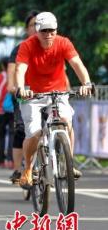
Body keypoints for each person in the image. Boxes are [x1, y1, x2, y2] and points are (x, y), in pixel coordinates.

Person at [15, 12, 93, 188]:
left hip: (58, 93)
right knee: (34, 133)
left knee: (66, 120)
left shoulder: (63, 42)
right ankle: (28, 168)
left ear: (56, 30)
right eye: (44, 31)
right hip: (32, 95)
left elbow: (77, 64)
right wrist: (21, 89)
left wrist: (86, 83)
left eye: (52, 30)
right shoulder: (27, 45)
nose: (49, 35)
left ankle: (68, 162)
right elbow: (20, 69)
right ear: (37, 31)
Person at [6, 10, 38, 183]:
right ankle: (19, 169)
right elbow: (12, 71)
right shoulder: (19, 49)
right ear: (27, 29)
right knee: (21, 128)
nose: (36, 28)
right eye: (32, 25)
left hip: (44, 93)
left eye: (39, 24)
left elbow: (60, 73)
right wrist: (14, 87)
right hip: (23, 93)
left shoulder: (51, 45)